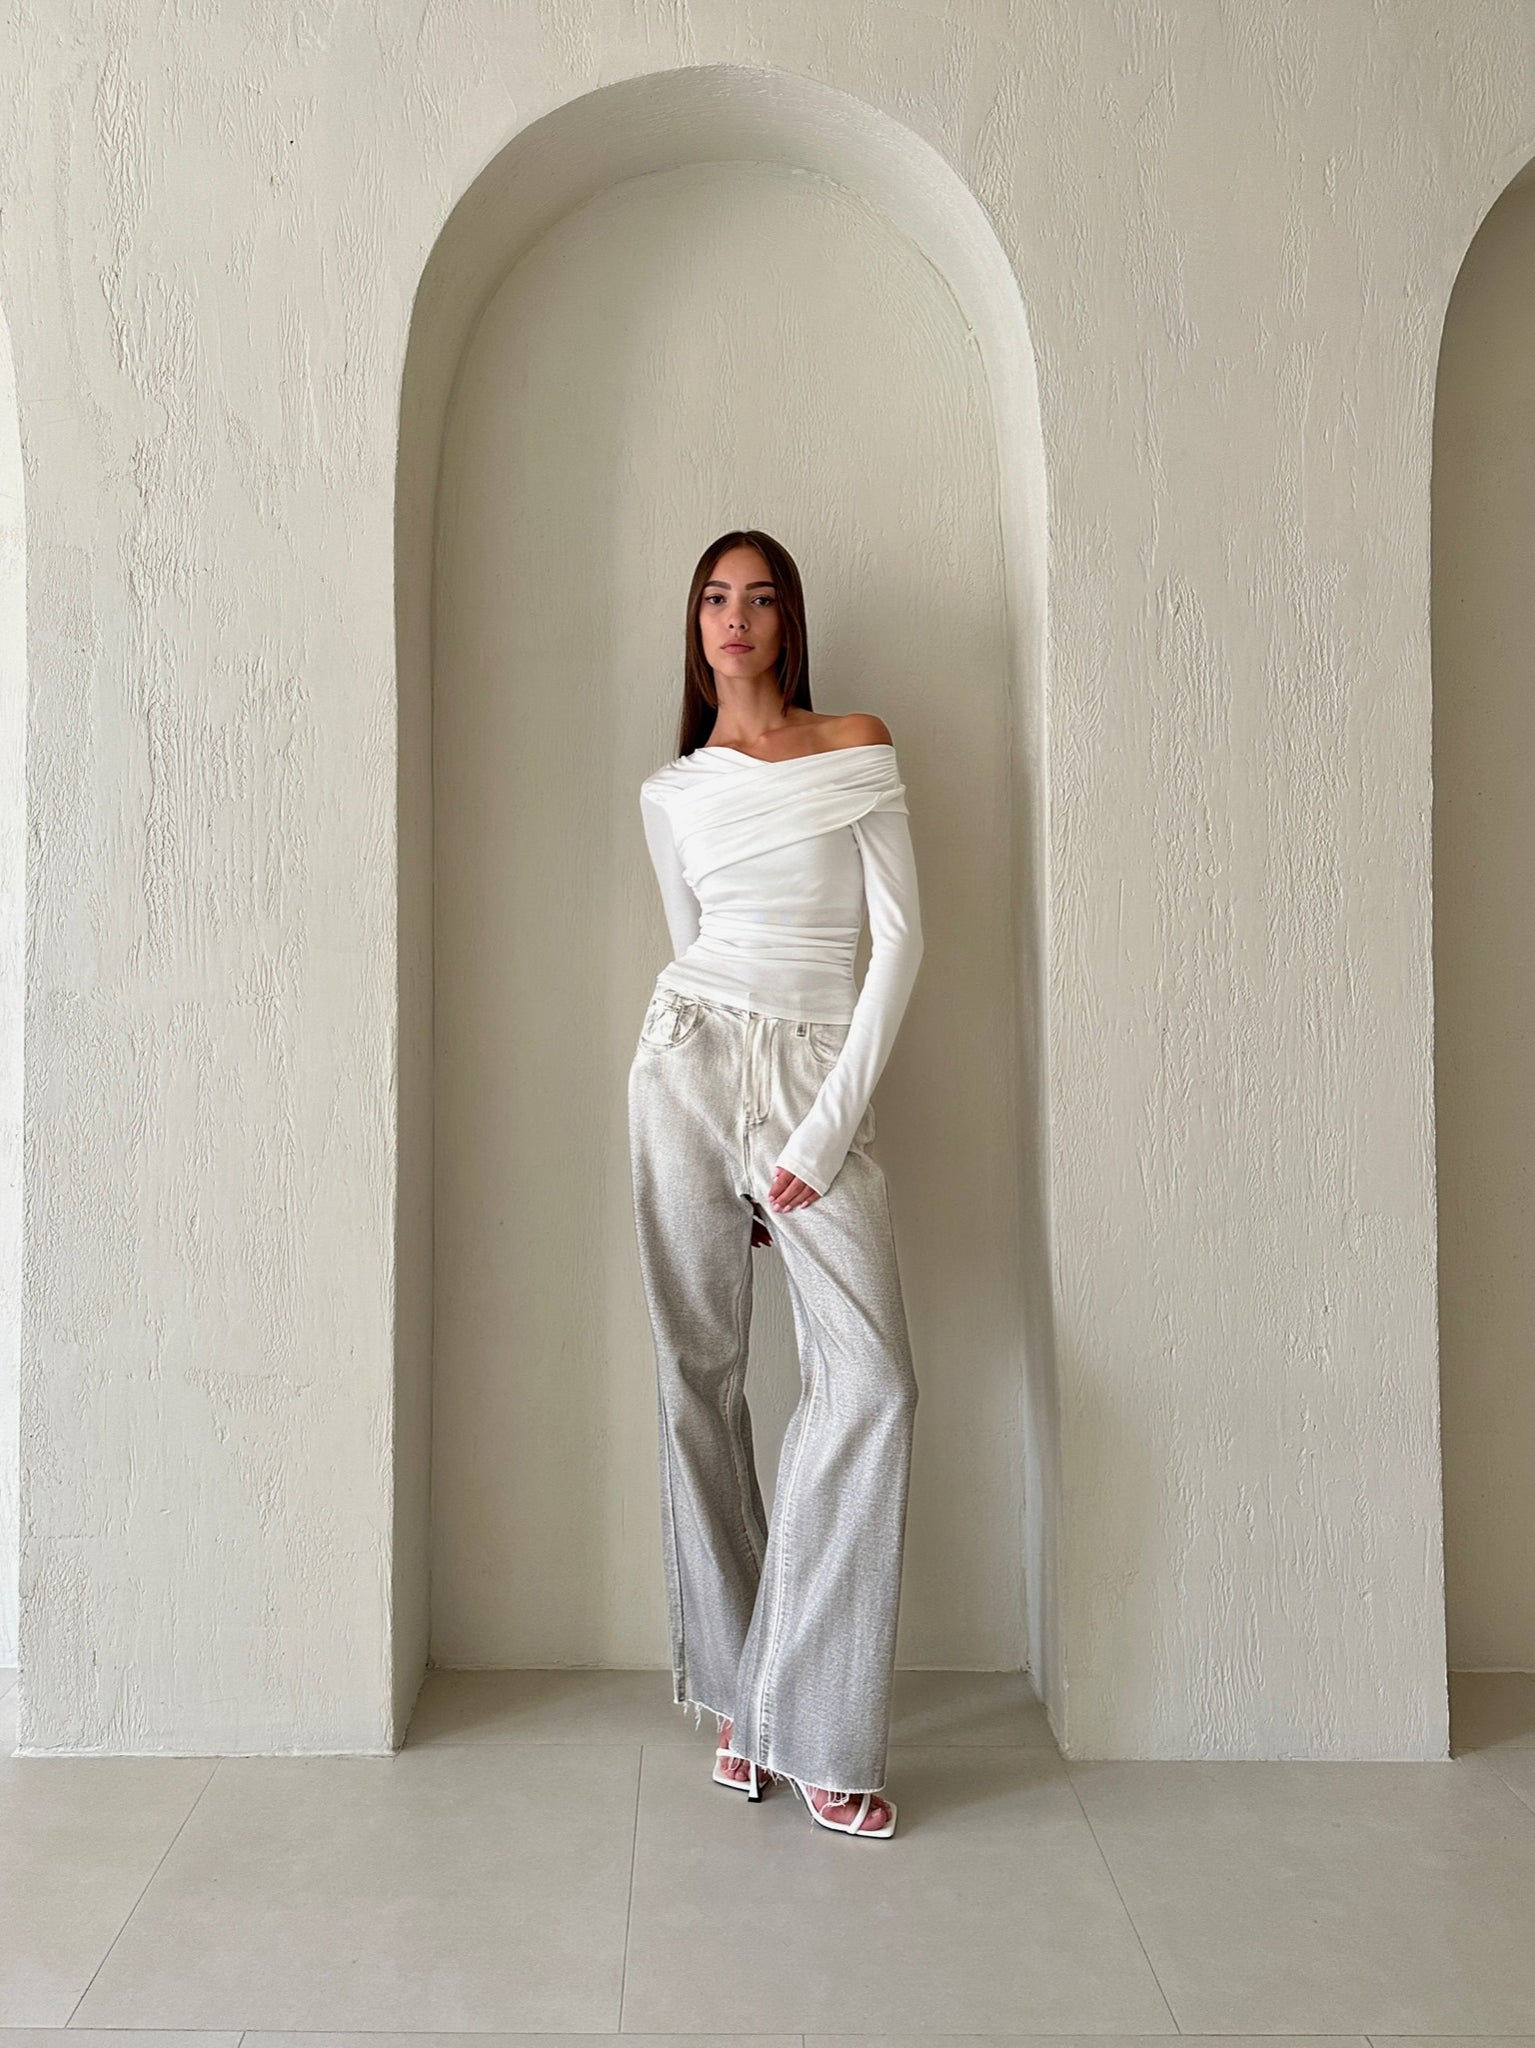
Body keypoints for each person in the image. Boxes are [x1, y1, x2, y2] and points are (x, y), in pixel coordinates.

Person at [626, 528, 924, 1840]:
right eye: (713, 597)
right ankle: (749, 1705)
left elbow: (904, 940)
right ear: (694, 628)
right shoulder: (671, 793)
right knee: (698, 1378)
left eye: (758, 598)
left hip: (816, 1075)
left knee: (871, 1385)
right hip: (686, 1065)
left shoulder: (856, 744)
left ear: (789, 622)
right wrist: (732, 1144)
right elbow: (691, 949)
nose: (734, 617)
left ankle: (811, 1713)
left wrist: (814, 1139)